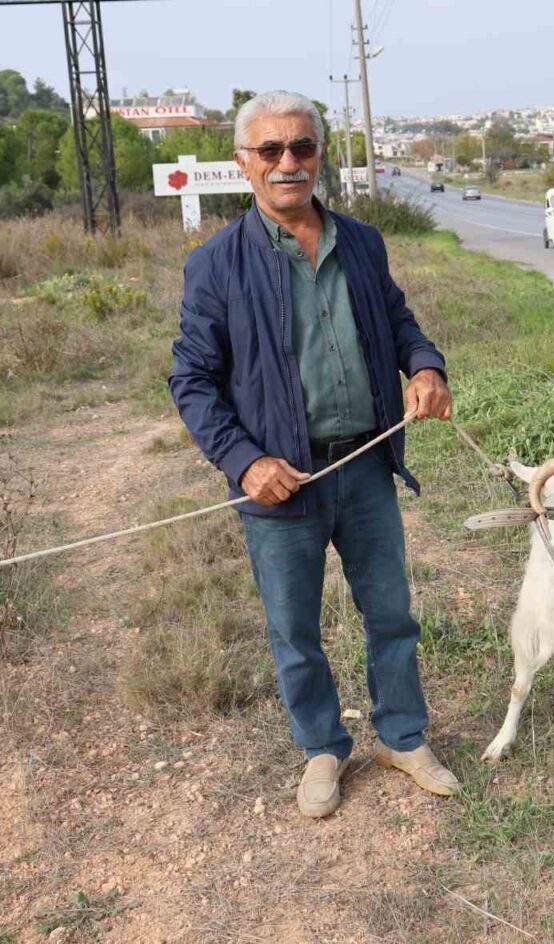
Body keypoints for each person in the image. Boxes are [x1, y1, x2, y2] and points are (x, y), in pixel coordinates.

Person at [170, 90, 460, 818]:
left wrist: (425, 367)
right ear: (244, 163)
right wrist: (244, 460)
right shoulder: (216, 264)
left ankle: (401, 735)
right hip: (281, 485)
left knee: (390, 613)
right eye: (270, 150)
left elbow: (399, 322)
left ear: (319, 155)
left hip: (363, 465)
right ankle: (323, 749)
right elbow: (192, 379)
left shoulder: (362, 241)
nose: (288, 162)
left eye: (301, 147)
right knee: (295, 631)